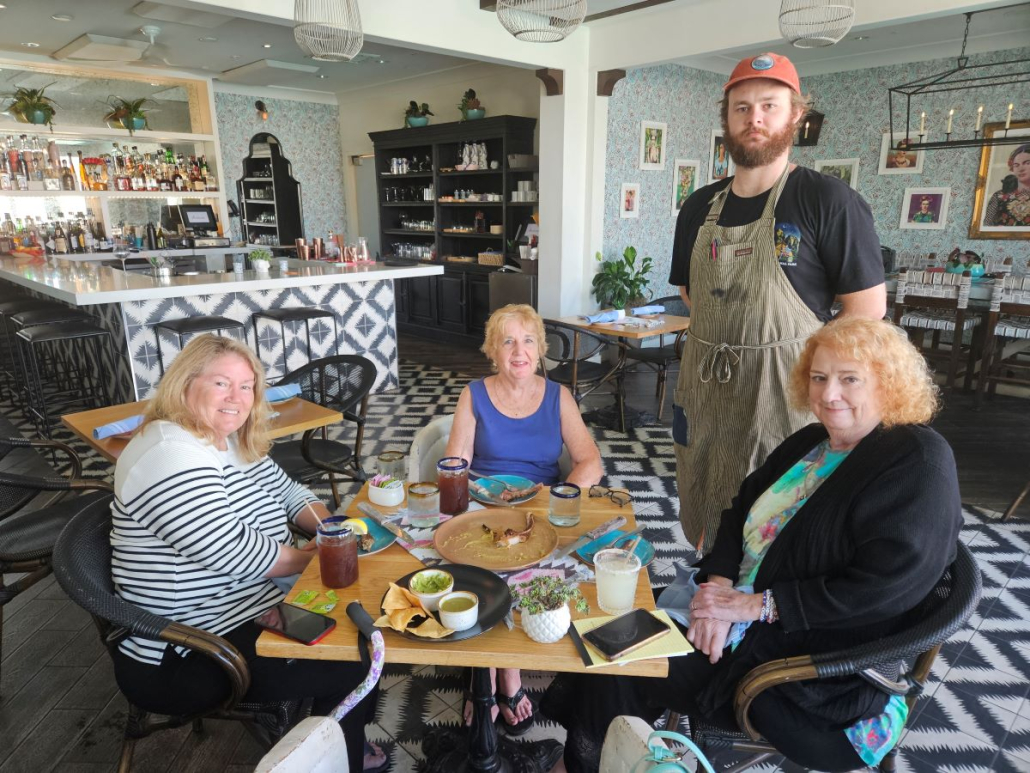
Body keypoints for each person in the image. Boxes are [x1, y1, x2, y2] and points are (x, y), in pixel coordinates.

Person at [543, 317, 962, 773]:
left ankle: (587, 763)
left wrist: (752, 608)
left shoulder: (917, 461)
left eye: (850, 379)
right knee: (610, 630)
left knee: (622, 662)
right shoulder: (814, 442)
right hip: (735, 611)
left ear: (888, 382)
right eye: (819, 377)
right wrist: (714, 593)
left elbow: (883, 589)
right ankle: (600, 757)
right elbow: (739, 510)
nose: (828, 394)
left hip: (808, 668)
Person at [109, 334, 384, 772]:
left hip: (254, 603)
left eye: (247, 385)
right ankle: (339, 757)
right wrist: (314, 557)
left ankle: (345, 740)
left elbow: (290, 492)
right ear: (185, 384)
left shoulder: (229, 439)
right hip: (188, 645)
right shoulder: (168, 452)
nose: (237, 398)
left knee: (368, 621)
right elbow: (231, 551)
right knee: (355, 659)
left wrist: (333, 530)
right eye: (221, 383)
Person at [668, 52, 887, 555]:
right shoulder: (698, 205)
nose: (755, 118)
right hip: (703, 383)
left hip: (780, 394)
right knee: (699, 502)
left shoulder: (828, 201)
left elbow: (866, 312)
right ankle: (708, 591)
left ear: (796, 115)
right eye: (741, 107)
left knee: (770, 521)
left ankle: (759, 613)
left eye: (769, 105)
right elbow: (690, 292)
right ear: (726, 118)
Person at [446, 303, 603, 736]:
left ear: (540, 351)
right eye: (508, 341)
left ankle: (488, 677)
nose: (519, 350)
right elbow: (456, 460)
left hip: (539, 511)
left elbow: (590, 462)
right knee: (481, 573)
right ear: (493, 351)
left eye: (528, 340)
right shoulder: (473, 394)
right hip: (483, 509)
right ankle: (503, 679)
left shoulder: (558, 396)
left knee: (521, 572)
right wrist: (461, 498)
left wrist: (559, 502)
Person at [985, 143, 1030, 227]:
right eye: (1016, 165)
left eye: (1027, 163)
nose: (1021, 169)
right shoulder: (999, 196)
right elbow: (986, 226)